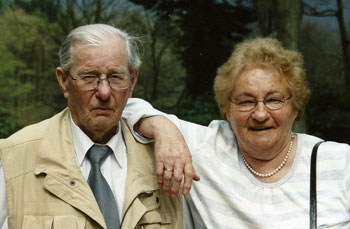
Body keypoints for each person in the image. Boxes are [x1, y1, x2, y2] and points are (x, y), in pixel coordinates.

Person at [128, 37, 350, 228]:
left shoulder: (339, 162)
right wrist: (163, 128)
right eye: (246, 101)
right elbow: (123, 109)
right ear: (227, 110)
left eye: (273, 100)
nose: (260, 114)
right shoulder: (207, 146)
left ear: (295, 107)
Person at [0, 24, 186, 229]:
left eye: (116, 77)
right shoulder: (12, 160)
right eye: (89, 77)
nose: (104, 92)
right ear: (63, 81)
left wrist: (164, 127)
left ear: (132, 82)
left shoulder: (170, 160)